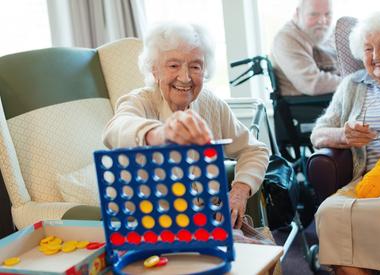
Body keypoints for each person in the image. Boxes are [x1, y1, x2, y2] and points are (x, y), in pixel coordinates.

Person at [102, 21, 269, 229]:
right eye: (173, 66)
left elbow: (255, 149)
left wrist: (239, 191)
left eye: (195, 66)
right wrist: (158, 133)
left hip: (206, 225)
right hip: (151, 227)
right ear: (154, 71)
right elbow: (115, 129)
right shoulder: (140, 101)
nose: (185, 77)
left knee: (261, 256)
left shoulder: (210, 103)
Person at [311, 9, 380, 274]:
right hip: (371, 174)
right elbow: (318, 134)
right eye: (368, 49)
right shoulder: (353, 85)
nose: (375, 56)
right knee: (329, 213)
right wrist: (343, 135)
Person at [270, 0, 341, 96]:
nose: (322, 21)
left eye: (328, 14)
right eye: (314, 14)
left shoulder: (325, 34)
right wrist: (353, 82)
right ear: (298, 13)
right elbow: (313, 84)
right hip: (309, 106)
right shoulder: (286, 39)